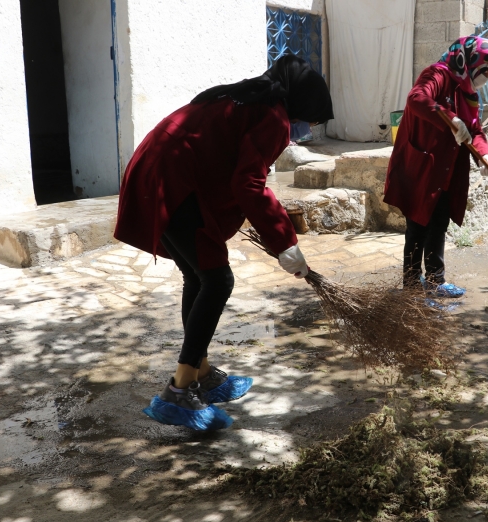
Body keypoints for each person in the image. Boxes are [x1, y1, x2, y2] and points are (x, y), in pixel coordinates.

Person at [114, 55, 334, 431]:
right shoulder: (274, 117)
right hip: (174, 179)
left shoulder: (249, 99)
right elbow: (248, 183)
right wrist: (285, 243)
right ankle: (179, 390)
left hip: (159, 170)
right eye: (310, 121)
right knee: (218, 280)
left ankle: (200, 372)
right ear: (303, 103)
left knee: (199, 278)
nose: (305, 128)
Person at [384, 36, 488, 297]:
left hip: (445, 171)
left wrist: (486, 156)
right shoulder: (438, 75)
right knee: (417, 227)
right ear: (470, 63)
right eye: (485, 71)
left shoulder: (468, 94)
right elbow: (416, 98)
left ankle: (437, 281)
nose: (486, 78)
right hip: (421, 167)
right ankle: (413, 286)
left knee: (439, 224)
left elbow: (475, 130)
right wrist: (450, 118)